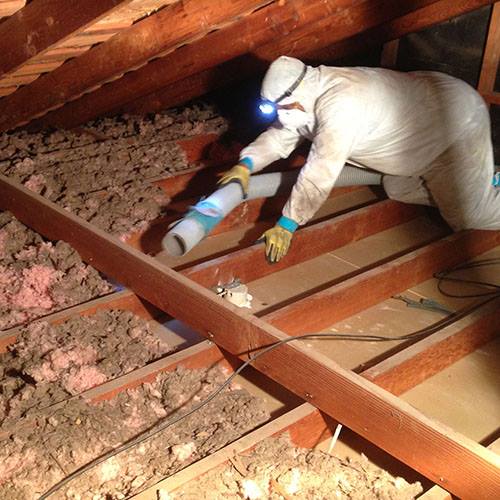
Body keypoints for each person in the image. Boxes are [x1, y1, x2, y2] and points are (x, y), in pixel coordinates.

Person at [218, 56, 500, 263]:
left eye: (282, 107)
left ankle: (482, 186)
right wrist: (247, 164)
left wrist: (288, 223)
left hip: (456, 123)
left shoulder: (342, 104)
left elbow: (320, 171)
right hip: (422, 129)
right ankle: (479, 179)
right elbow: (282, 135)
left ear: (294, 97)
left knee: (466, 215)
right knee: (396, 187)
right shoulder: (306, 93)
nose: (280, 115)